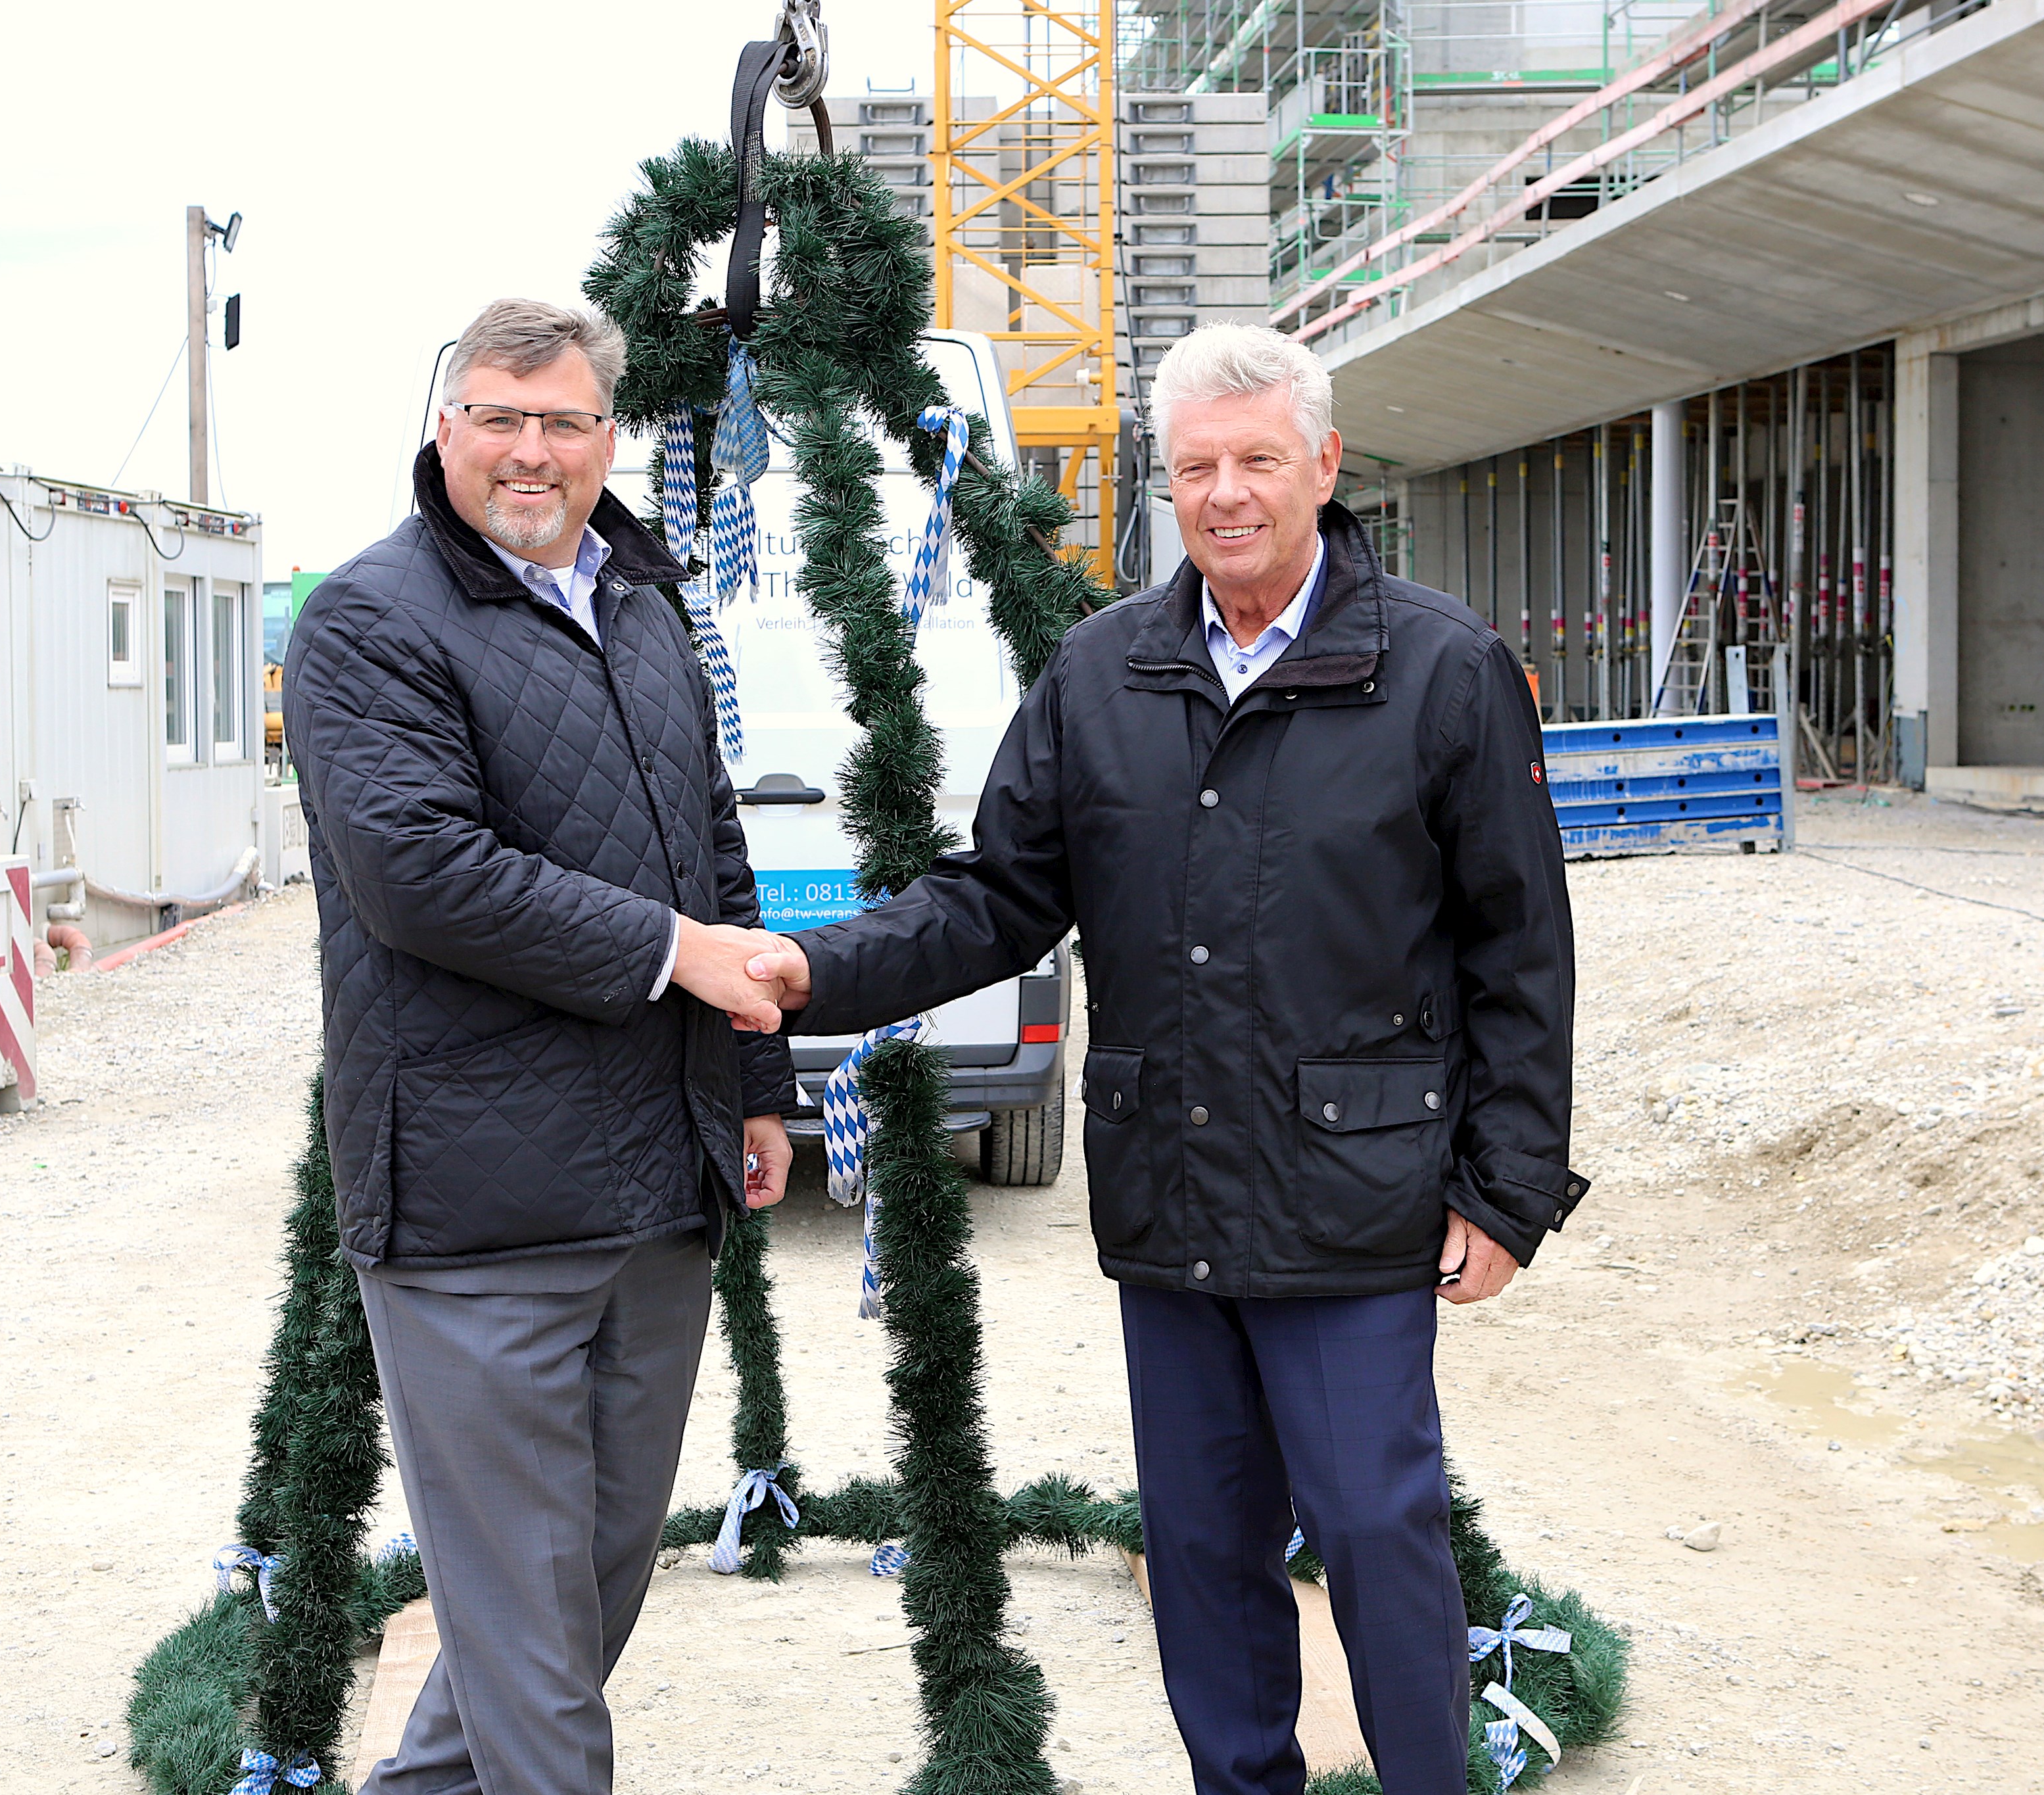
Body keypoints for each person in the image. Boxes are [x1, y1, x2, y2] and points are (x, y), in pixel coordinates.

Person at [744, 322, 1587, 1795]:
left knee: (1381, 1535)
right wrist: (816, 966)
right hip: (1172, 1198)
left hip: (1353, 1198)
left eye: (1260, 459)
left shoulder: (1442, 673)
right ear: (1164, 485)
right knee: (1200, 1548)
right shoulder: (1102, 673)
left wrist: (1506, 1191)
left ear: (1325, 464)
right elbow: (998, 892)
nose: (1228, 493)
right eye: (1195, 466)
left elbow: (1520, 952)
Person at [285, 297, 792, 1795]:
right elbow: (416, 871)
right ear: (445, 430)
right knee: (524, 1631)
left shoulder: (639, 604)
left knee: (577, 1600)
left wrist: (756, 1086)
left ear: (604, 438)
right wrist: (672, 956)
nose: (531, 450)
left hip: (656, 1184)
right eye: (498, 418)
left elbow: (708, 844)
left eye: (562, 420)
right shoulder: (370, 620)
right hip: (473, 1205)